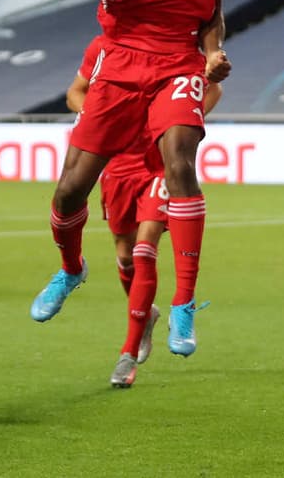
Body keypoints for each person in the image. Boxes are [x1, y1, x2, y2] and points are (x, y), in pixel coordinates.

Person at [29, 0, 234, 362]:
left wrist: (214, 55)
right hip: (119, 61)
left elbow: (211, 13)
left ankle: (184, 304)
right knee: (70, 190)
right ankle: (71, 270)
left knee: (179, 159)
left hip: (177, 61)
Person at [67, 35, 223, 387]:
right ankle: (147, 315)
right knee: (125, 256)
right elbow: (74, 93)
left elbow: (212, 89)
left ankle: (129, 350)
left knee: (144, 246)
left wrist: (178, 122)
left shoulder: (180, 50)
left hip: (154, 167)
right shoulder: (103, 47)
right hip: (118, 168)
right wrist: (103, 117)